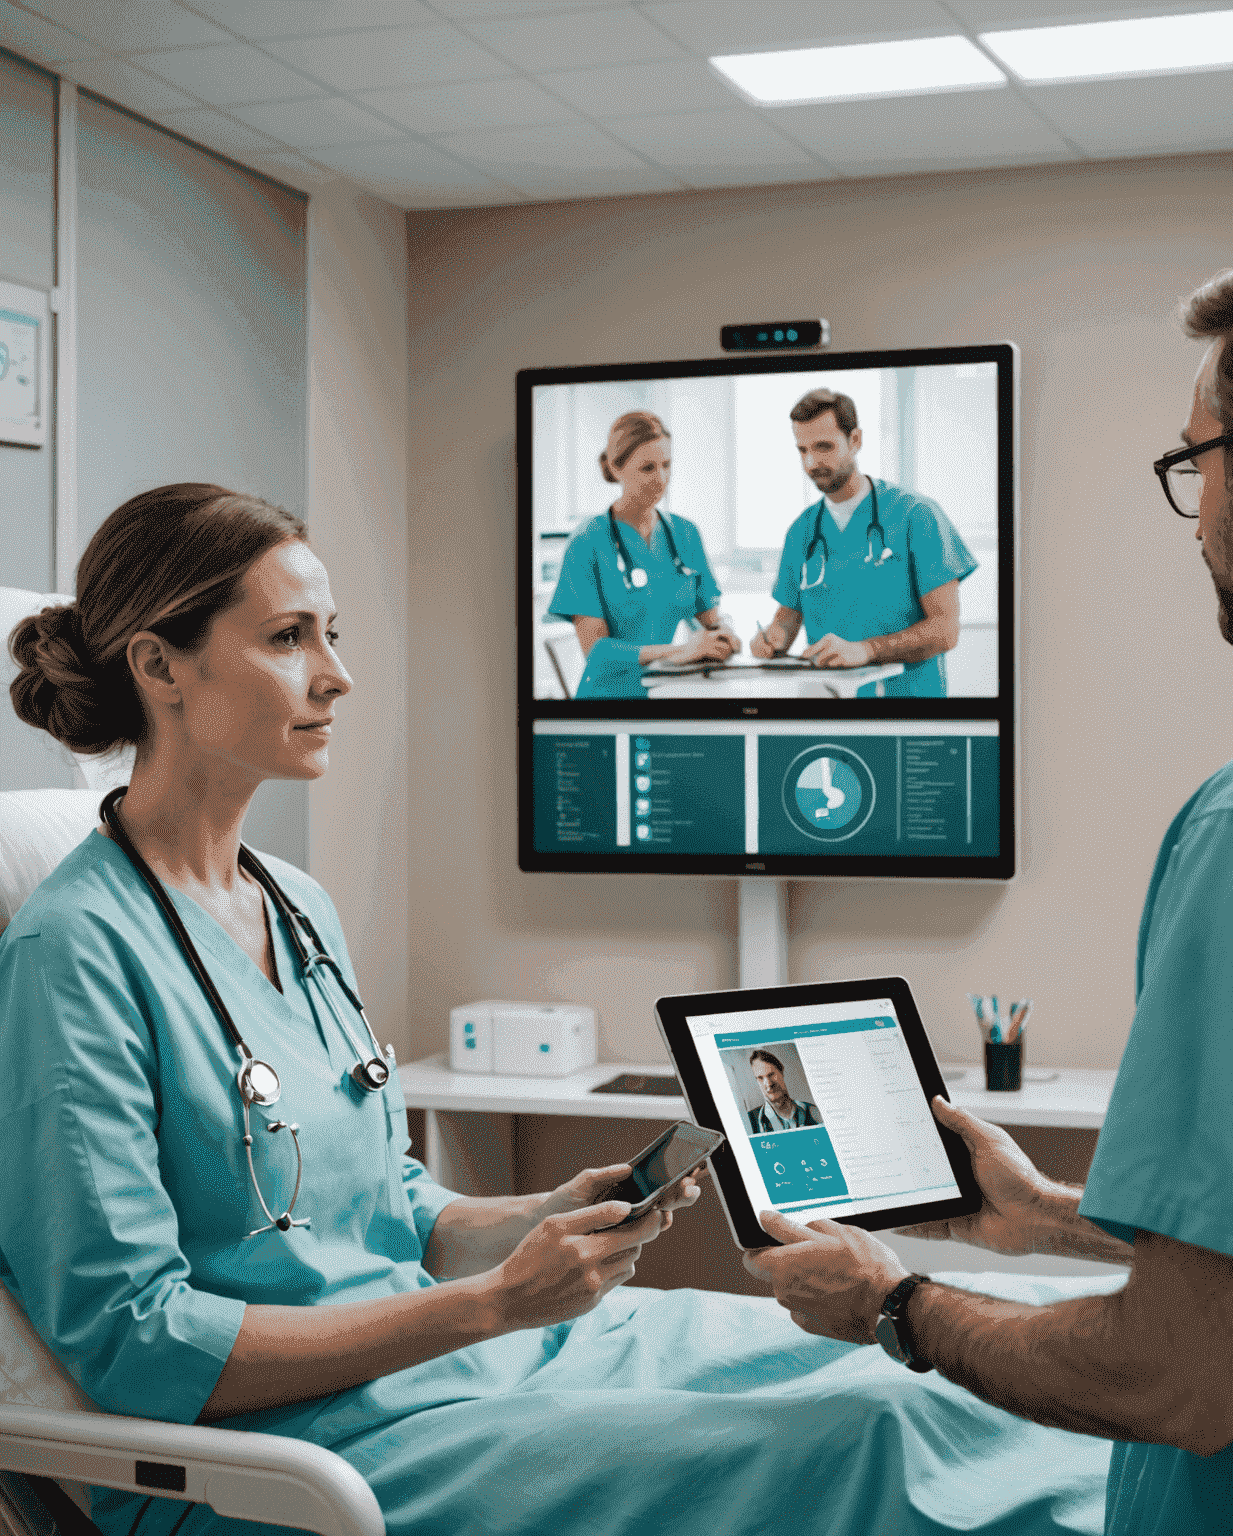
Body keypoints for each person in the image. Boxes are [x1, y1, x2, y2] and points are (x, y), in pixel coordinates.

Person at [1, 481, 1123, 1536]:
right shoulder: (75, 952)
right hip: (310, 1452)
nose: (337, 675)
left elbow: (394, 1209)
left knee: (907, 1352)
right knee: (880, 1431)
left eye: (332, 634)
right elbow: (139, 1348)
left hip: (473, 1365)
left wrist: (548, 1216)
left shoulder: (295, 906)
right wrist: (495, 1305)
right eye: (290, 638)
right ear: (161, 665)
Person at [746, 233, 1233, 1533]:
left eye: (1197, 462)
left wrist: (895, 1304)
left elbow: (1187, 1376)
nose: (1201, 508)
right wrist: (1053, 1220)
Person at [749, 389, 976, 697]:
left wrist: (867, 650)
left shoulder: (916, 515)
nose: (812, 462)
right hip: (829, 713)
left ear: (855, 440)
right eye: (802, 450)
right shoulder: (801, 532)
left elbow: (946, 630)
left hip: (908, 713)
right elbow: (788, 618)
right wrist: (772, 637)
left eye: (824, 447)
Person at [547, 409, 738, 698]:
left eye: (666, 465)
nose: (661, 478)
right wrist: (681, 650)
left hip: (666, 694)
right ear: (615, 467)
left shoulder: (686, 535)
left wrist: (724, 634)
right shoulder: (587, 542)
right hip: (606, 704)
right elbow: (597, 653)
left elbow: (711, 617)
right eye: (647, 468)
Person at [745, 1048, 822, 1133]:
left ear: (781, 1072)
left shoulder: (813, 1111)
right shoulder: (749, 1121)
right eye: (760, 1078)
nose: (768, 1084)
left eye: (771, 1075)